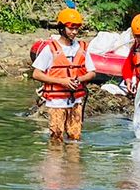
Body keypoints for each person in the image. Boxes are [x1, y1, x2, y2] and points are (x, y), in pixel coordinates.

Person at [31, 8, 97, 143]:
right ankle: (56, 163)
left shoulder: (83, 48)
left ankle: (72, 164)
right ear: (61, 28)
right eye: (71, 28)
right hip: (56, 102)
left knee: (75, 138)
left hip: (75, 101)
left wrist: (80, 79)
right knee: (56, 138)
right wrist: (62, 81)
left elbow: (92, 73)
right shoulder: (50, 49)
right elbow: (36, 74)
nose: (74, 32)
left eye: (77, 29)